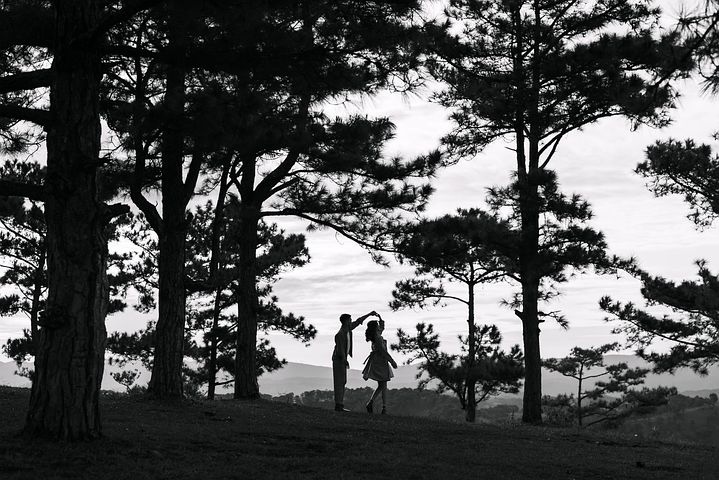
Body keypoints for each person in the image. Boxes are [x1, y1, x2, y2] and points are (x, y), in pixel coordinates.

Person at [332, 310, 378, 412]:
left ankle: (339, 404)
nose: (351, 321)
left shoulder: (347, 329)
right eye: (350, 320)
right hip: (339, 360)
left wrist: (369, 314)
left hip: (342, 359)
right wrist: (345, 360)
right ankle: (338, 405)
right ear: (346, 321)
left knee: (342, 381)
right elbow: (340, 351)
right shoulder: (340, 334)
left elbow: (358, 321)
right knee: (339, 381)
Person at [362, 314, 397, 414]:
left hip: (377, 362)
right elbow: (383, 351)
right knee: (383, 385)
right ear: (375, 328)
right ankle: (383, 407)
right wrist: (392, 361)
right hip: (380, 363)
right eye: (377, 325)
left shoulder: (375, 336)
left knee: (382, 385)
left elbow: (382, 327)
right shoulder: (378, 338)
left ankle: (376, 405)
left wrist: (380, 317)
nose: (379, 326)